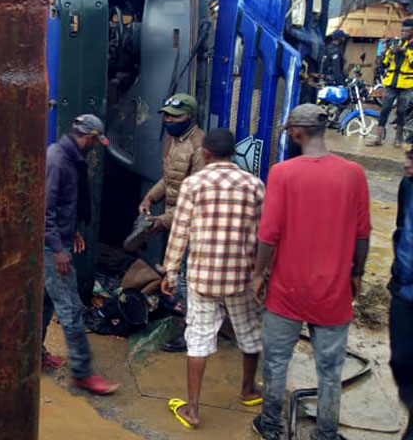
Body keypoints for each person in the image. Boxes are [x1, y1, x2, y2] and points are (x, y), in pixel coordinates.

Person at [252, 104, 371, 440]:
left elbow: (268, 234)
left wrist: (259, 274)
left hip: (286, 291)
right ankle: (326, 433)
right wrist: (357, 273)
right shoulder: (353, 173)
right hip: (333, 295)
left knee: (276, 363)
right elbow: (363, 234)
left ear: (296, 133)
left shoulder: (282, 173)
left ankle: (271, 426)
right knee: (331, 371)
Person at [162, 129, 265, 429]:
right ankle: (247, 390)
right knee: (249, 334)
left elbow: (180, 231)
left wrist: (170, 271)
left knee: (198, 341)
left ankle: (192, 410)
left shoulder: (194, 184)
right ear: (233, 153)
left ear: (205, 153)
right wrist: (264, 275)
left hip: (202, 277)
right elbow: (264, 235)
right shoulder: (254, 185)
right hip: (242, 277)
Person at [41, 114, 120, 395]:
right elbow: (45, 209)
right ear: (87, 137)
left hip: (58, 241)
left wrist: (72, 230)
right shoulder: (59, 161)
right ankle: (83, 374)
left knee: (45, 303)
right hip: (51, 249)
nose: (96, 147)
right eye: (96, 142)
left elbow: (65, 204)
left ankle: (34, 355)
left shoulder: (69, 156)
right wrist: (58, 249)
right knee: (71, 309)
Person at [138, 93, 206, 353]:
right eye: (166, 115)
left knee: (187, 280)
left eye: (175, 116)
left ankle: (190, 336)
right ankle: (173, 313)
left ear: (190, 116)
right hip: (173, 218)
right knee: (171, 273)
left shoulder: (199, 146)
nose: (168, 120)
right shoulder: (174, 139)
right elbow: (170, 178)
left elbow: (197, 195)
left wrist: (164, 220)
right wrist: (150, 197)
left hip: (191, 224)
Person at [393, 147, 413, 440]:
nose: (406, 163)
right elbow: (400, 228)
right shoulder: (407, 185)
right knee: (400, 362)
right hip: (404, 291)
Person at [369, 19, 413, 147]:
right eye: (402, 30)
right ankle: (378, 139)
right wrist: (390, 53)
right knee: (385, 110)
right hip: (391, 84)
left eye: (406, 31)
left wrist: (406, 52)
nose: (403, 33)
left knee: (401, 112)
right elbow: (384, 63)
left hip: (406, 85)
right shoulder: (395, 42)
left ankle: (398, 140)